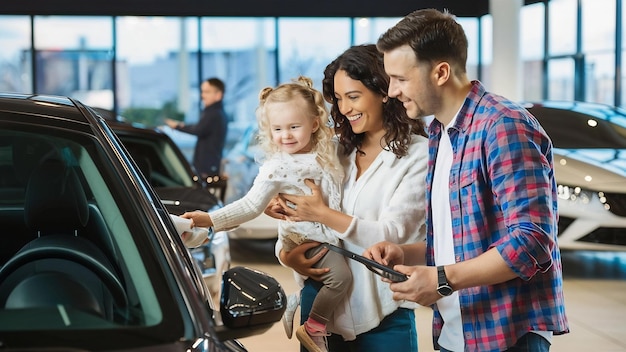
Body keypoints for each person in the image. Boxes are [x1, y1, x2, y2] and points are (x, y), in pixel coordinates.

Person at [363, 8, 569, 352]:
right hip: (455, 332)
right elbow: (461, 239)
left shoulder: (502, 125)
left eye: (400, 78)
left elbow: (532, 241)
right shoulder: (439, 133)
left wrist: (441, 280)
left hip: (505, 336)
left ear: (441, 72)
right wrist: (407, 253)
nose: (392, 91)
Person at [271, 44, 429, 352]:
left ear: (384, 92)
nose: (345, 109)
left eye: (353, 96)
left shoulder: (417, 154)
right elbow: (296, 224)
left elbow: (392, 235)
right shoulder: (331, 153)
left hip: (384, 317)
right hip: (318, 313)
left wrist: (322, 213)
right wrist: (286, 255)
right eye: (339, 99)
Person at [180, 76, 351, 352]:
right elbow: (249, 205)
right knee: (341, 279)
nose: (286, 135)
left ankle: (296, 300)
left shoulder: (327, 151)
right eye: (278, 129)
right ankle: (313, 328)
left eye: (294, 127)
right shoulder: (277, 167)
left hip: (328, 231)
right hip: (305, 237)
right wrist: (211, 220)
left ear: (315, 124)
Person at [165, 77, 228, 179]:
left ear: (218, 95)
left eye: (207, 92)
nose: (202, 96)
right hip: (209, 165)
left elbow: (199, 129)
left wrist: (178, 126)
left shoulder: (214, 114)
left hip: (206, 167)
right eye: (202, 92)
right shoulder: (218, 113)